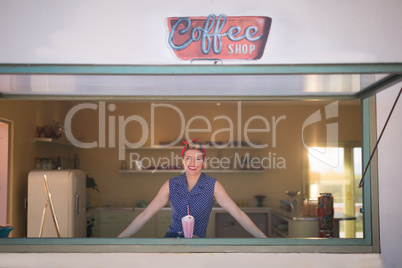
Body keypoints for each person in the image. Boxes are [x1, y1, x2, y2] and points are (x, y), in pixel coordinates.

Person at [118, 139, 267, 238]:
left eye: (198, 158)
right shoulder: (171, 184)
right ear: (183, 162)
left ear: (203, 163)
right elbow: (145, 215)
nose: (193, 162)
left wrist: (266, 240)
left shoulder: (213, 185)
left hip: (198, 244)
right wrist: (117, 240)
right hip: (172, 242)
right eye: (188, 158)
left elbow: (239, 214)